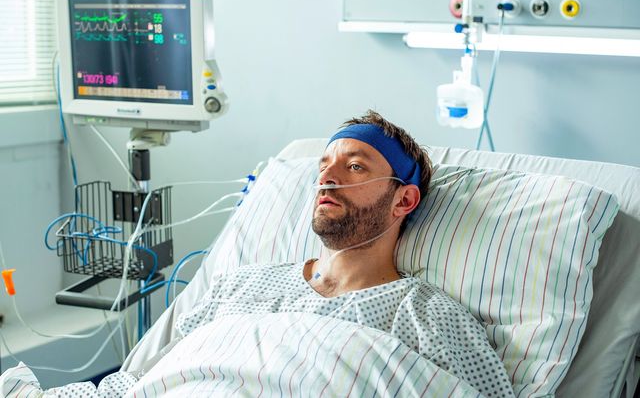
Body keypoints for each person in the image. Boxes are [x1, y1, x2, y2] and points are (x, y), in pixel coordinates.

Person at [1, 111, 514, 397]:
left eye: (355, 166)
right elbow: (143, 381)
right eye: (324, 165)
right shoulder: (240, 284)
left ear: (403, 200)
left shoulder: (427, 314)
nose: (327, 177)